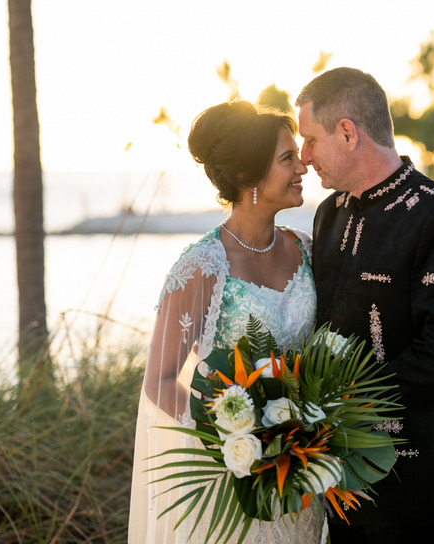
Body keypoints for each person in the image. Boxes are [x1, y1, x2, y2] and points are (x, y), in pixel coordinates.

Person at [296, 67, 434, 543]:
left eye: (311, 139)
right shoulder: (328, 214)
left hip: (414, 474)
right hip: (335, 470)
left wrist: (342, 401)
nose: (304, 156)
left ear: (347, 132)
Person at [128, 100, 324, 543]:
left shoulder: (308, 250)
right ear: (245, 176)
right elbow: (159, 379)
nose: (303, 168)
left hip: (300, 469)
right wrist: (232, 437)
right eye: (287, 159)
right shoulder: (202, 267)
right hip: (231, 475)